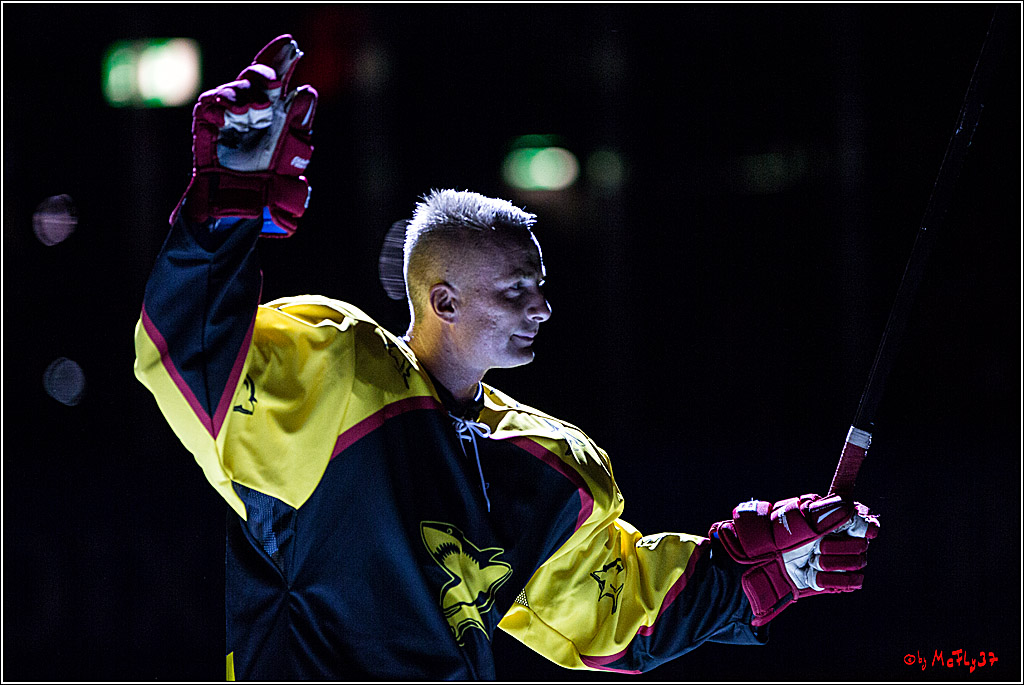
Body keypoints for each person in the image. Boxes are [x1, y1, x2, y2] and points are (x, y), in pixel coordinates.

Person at [134, 35, 880, 680]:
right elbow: (188, 356)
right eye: (516, 290)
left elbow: (614, 610)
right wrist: (224, 204)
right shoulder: (338, 381)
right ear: (443, 301)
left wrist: (758, 570)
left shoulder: (542, 463)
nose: (542, 308)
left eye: (542, 287)